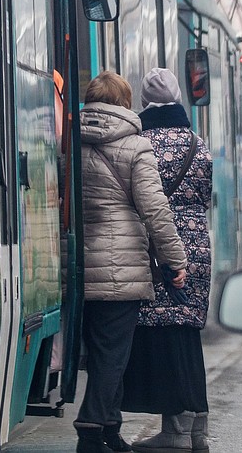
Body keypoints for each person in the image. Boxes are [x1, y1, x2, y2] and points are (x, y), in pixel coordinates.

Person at [76, 72, 189, 453]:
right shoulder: (136, 147)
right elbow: (155, 210)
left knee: (102, 352)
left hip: (75, 265)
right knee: (113, 354)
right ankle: (90, 427)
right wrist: (175, 260)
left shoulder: (68, 143)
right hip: (119, 266)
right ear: (124, 104)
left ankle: (109, 428)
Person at [122, 68, 214, 453]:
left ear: (145, 102)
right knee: (186, 334)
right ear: (178, 97)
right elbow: (206, 195)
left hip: (156, 246)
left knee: (162, 334)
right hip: (194, 246)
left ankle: (175, 431)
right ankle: (197, 432)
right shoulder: (199, 144)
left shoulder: (139, 143)